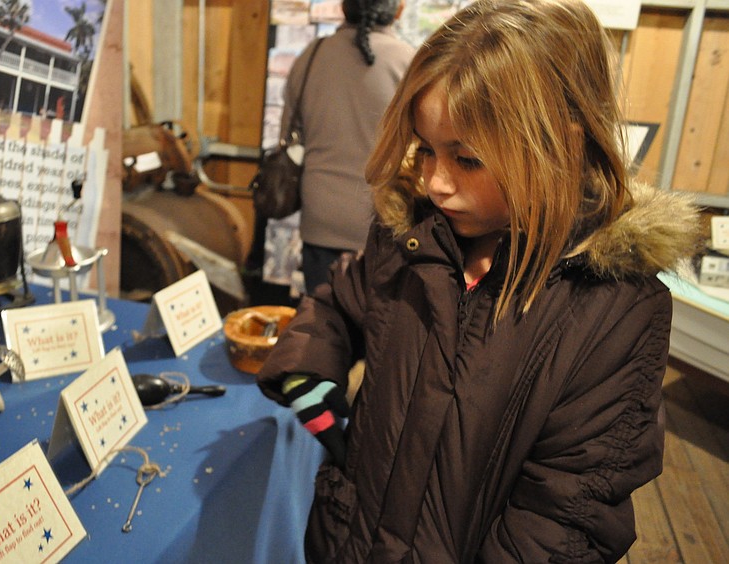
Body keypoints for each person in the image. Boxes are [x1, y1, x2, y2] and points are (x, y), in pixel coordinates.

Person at [256, 0, 704, 561]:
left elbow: (565, 519)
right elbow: (339, 301)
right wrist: (309, 362)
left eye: (466, 159)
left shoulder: (613, 311)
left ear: (559, 145)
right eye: (425, 150)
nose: (435, 182)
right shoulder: (413, 235)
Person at [280, 0, 414, 295]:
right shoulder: (410, 62)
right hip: (383, 219)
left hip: (320, 215)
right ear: (399, 10)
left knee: (322, 325)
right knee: (378, 331)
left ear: (344, 8)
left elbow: (288, 134)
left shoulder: (312, 55)